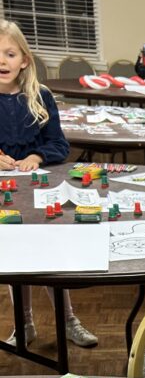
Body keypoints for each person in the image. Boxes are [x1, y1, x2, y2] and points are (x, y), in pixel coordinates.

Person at [0, 19, 97, 348]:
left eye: (10, 54)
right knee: (15, 258)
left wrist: (38, 157)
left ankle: (69, 320)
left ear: (24, 60)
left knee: (50, 255)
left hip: (42, 192)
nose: (2, 61)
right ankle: (23, 325)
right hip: (5, 198)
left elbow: (59, 144)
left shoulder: (39, 96)